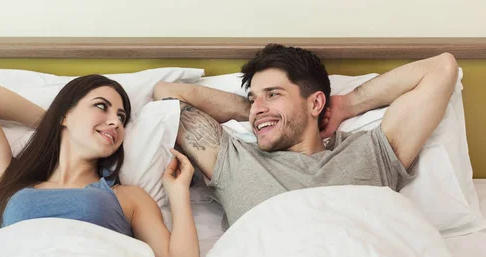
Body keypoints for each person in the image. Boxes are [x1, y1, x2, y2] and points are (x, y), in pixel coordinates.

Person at [153, 44, 458, 228]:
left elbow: (442, 68)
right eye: (254, 97)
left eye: (273, 94)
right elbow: (166, 95)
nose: (258, 107)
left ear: (315, 103)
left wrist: (347, 104)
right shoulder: (235, 162)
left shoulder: (372, 153)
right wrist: (253, 110)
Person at [0, 74, 199, 257]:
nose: (115, 122)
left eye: (121, 117)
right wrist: (54, 122)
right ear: (66, 113)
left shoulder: (129, 197)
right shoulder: (9, 184)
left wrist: (179, 194)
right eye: (101, 106)